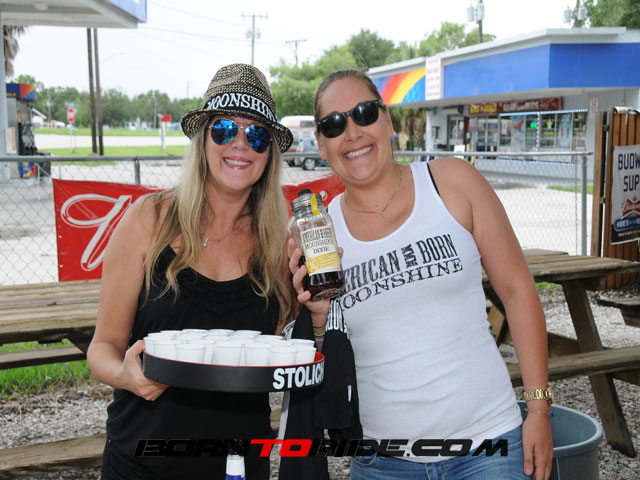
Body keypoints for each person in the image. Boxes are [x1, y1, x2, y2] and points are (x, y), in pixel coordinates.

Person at [289, 69, 553, 480]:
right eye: (334, 124)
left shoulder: (452, 182)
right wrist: (318, 317)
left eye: (364, 113)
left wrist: (538, 408)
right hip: (382, 462)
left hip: (489, 447)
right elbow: (326, 362)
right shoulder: (319, 233)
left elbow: (518, 291)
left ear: (387, 120)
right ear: (321, 144)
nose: (352, 132)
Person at [87, 63, 294, 480]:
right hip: (142, 461)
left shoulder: (278, 242)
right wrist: (125, 375)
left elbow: (278, 352)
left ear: (269, 152)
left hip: (238, 464)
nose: (240, 144)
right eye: (224, 129)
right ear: (203, 140)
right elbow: (102, 347)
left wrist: (316, 312)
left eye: (256, 134)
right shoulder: (149, 220)